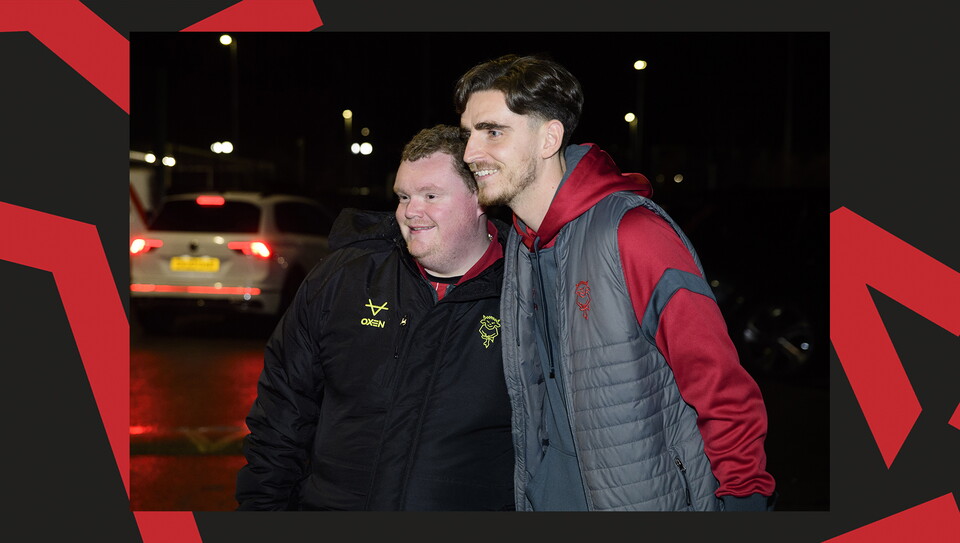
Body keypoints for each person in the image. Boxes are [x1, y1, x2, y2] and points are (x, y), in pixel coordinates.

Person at [455, 53, 777, 511]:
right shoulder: (524, 249)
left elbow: (722, 387)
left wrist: (744, 502)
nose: (470, 153)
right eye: (468, 133)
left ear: (549, 137)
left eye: (493, 131)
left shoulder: (633, 234)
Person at [235, 124, 514, 511]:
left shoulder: (526, 292)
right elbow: (282, 414)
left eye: (430, 195)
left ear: (480, 198)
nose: (410, 212)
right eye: (403, 196)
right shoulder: (344, 278)